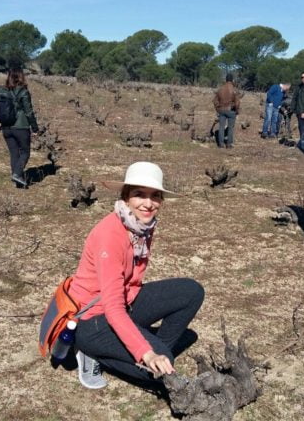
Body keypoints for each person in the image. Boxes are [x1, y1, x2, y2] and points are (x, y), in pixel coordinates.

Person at [68, 162, 204, 389]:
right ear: (126, 197)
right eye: (140, 195)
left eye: (155, 196)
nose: (148, 204)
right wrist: (147, 354)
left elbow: (129, 285)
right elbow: (112, 307)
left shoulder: (140, 226)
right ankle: (92, 352)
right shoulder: (110, 236)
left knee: (191, 292)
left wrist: (153, 351)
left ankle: (153, 351)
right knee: (160, 368)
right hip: (91, 321)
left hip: (127, 301)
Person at [0, 68, 38, 187]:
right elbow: (29, 112)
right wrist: (35, 127)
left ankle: (17, 178)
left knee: (14, 153)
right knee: (25, 152)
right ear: (21, 77)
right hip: (21, 126)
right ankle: (17, 174)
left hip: (6, 126)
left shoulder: (2, 90)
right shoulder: (24, 92)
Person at [213, 73, 241, 148]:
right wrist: (237, 111)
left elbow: (215, 101)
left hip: (221, 110)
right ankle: (229, 144)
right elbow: (237, 103)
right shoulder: (234, 89)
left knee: (221, 127)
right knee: (230, 127)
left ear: (226, 80)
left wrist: (218, 109)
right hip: (231, 111)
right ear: (232, 80)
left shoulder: (220, 89)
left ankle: (221, 144)